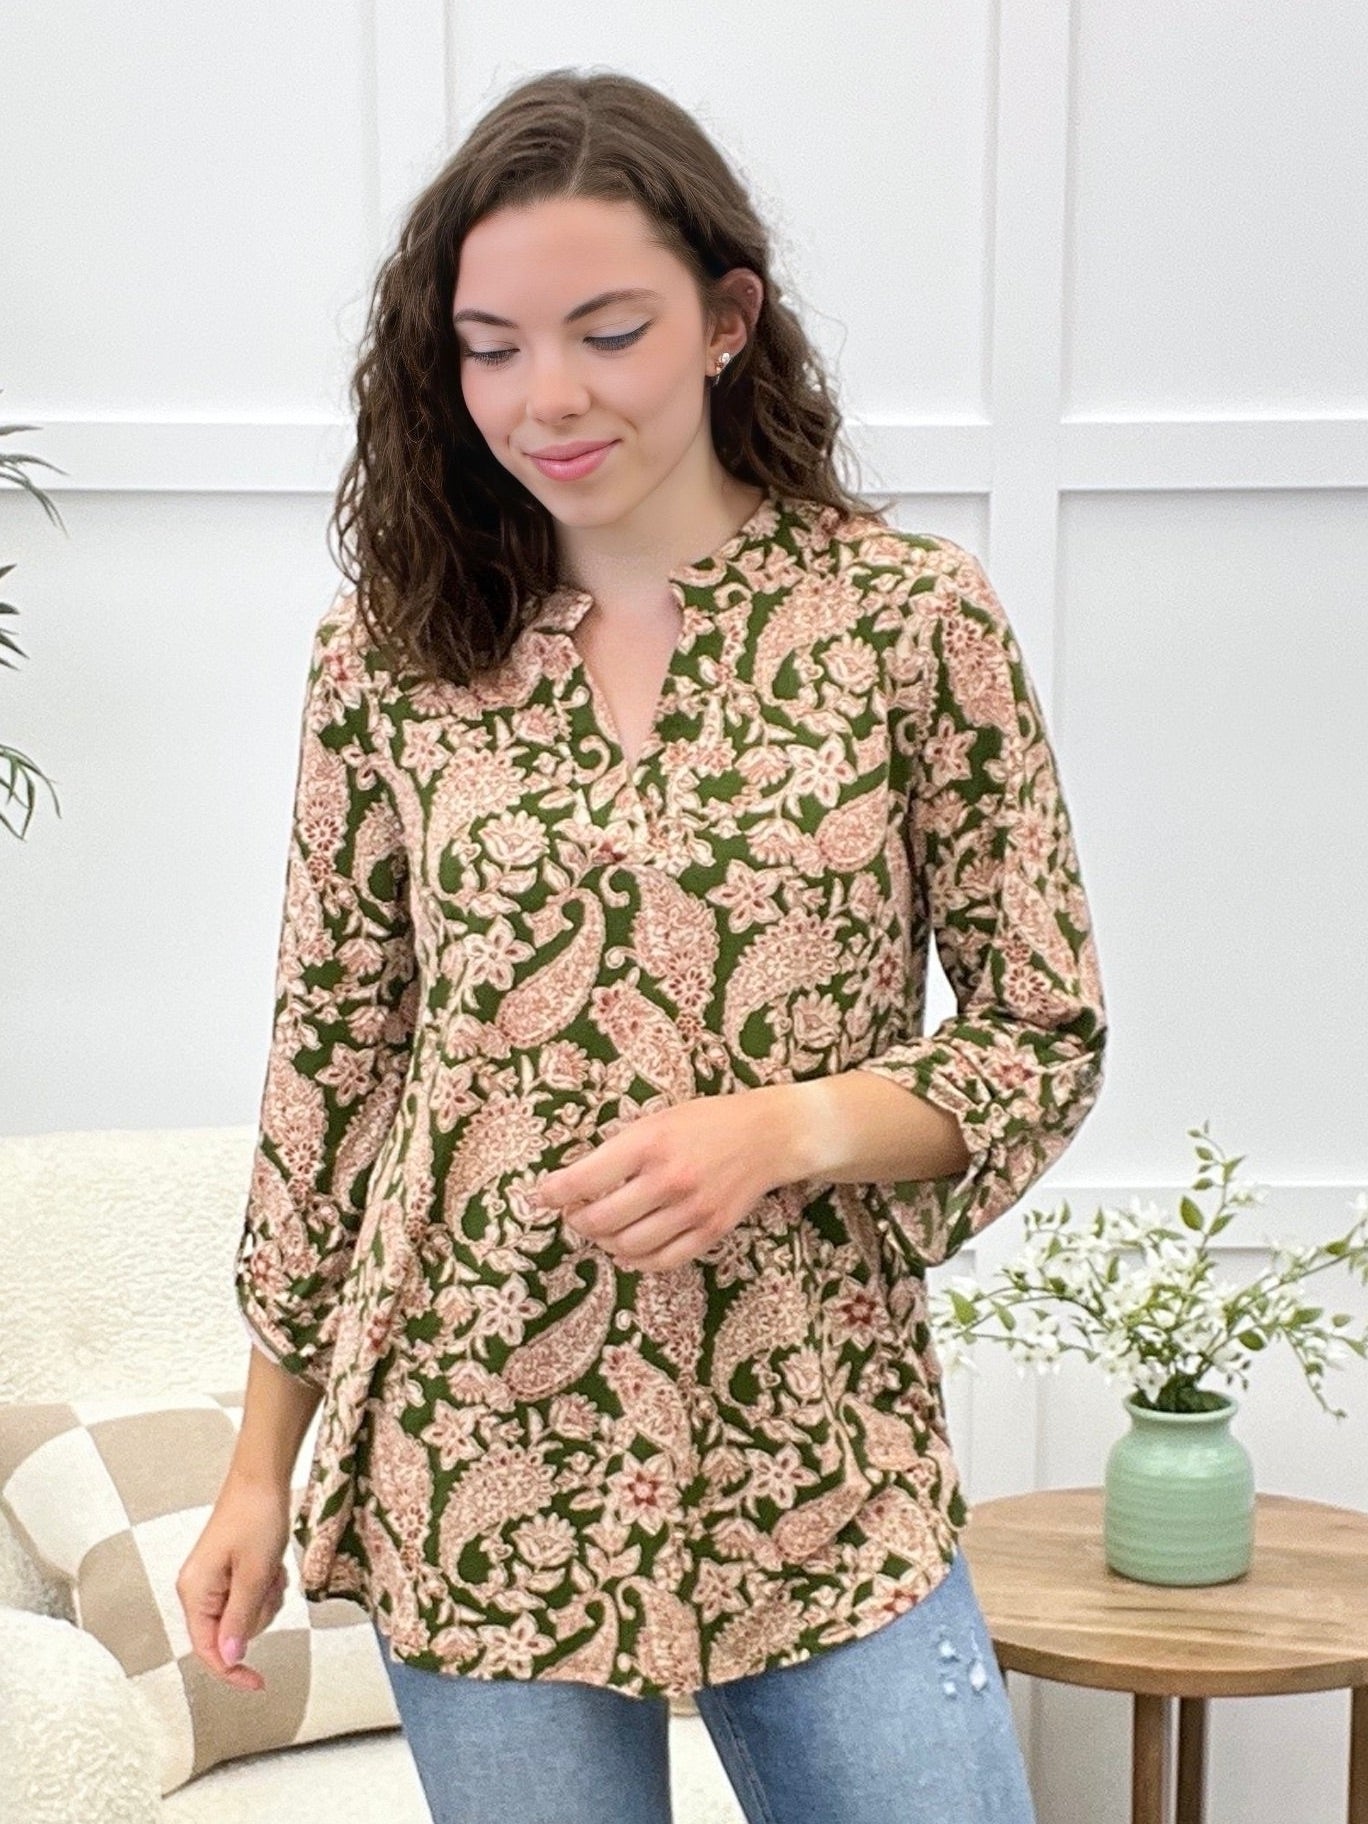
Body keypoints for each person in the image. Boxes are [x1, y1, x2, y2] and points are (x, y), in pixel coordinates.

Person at [176, 66, 1108, 1824]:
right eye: (492, 346)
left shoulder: (910, 623)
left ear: (726, 321)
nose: (549, 395)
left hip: (816, 1451)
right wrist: (254, 1472)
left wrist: (789, 1129)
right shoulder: (388, 656)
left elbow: (1043, 1029)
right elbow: (332, 1072)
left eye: (608, 331)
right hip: (477, 1449)